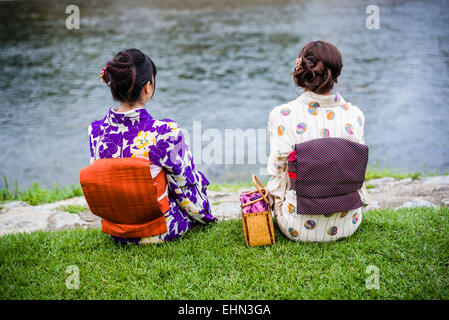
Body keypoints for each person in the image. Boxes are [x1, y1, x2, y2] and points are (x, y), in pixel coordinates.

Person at [88, 48, 216, 244]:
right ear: (148, 87)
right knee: (192, 178)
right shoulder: (165, 132)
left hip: (117, 231)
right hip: (160, 230)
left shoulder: (95, 131)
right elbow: (184, 186)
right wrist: (205, 215)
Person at [266, 40, 369, 242]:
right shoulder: (355, 115)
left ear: (302, 71)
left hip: (297, 226)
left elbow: (276, 169)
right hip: (349, 221)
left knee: (278, 176)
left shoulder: (283, 115)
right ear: (337, 72)